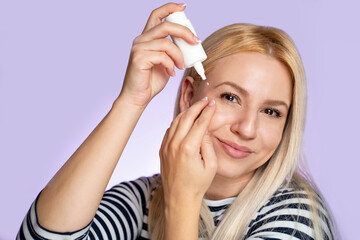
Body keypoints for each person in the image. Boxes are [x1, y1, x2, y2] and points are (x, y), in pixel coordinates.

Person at [17, 2, 336, 240]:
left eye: (271, 111)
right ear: (188, 95)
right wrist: (131, 101)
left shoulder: (297, 217)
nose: (247, 129)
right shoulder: (140, 200)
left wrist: (182, 203)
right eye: (230, 97)